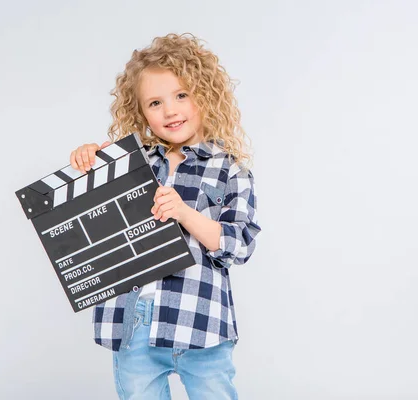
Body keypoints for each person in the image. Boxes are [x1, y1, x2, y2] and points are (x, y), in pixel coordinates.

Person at [70, 33, 261, 400]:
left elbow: (237, 246)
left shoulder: (230, 170)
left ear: (207, 94)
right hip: (134, 318)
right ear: (140, 112)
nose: (170, 110)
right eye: (155, 102)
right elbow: (98, 215)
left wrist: (185, 213)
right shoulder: (132, 162)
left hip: (200, 320)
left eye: (181, 95)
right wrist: (90, 158)